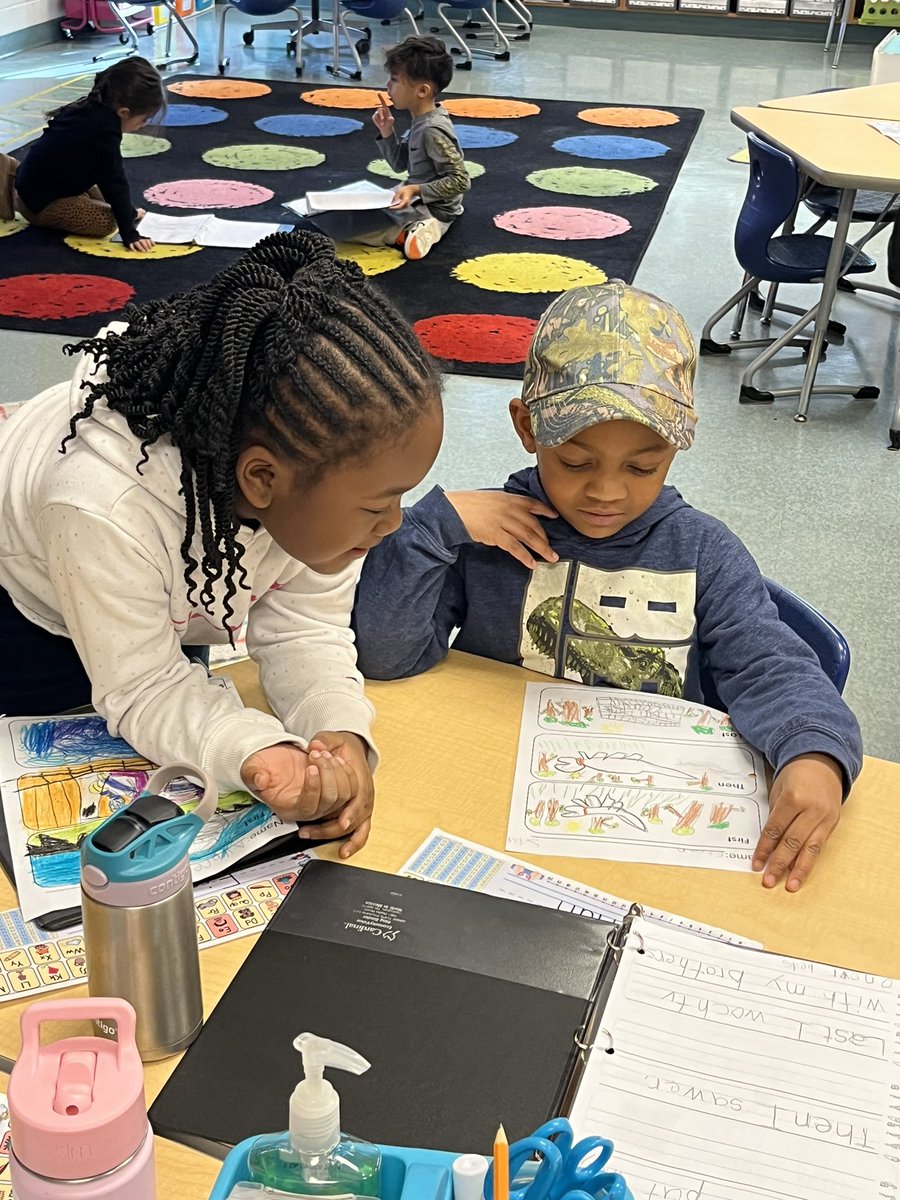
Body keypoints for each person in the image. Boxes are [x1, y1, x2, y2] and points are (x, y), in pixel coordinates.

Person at [352, 280, 863, 890]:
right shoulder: (488, 535)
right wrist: (429, 529)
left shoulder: (702, 550)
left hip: (648, 823)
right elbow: (384, 655)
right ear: (525, 427)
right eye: (575, 461)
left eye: (643, 466)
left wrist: (814, 752)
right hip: (496, 798)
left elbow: (771, 666)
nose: (606, 492)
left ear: (675, 446)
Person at [0, 232, 443, 857]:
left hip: (174, 564)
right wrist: (247, 745)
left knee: (189, 708)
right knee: (53, 754)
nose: (395, 523)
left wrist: (333, 729)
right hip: (28, 585)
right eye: (378, 506)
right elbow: (145, 684)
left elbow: (306, 630)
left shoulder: (311, 489)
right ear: (262, 479)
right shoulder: (102, 509)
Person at [318, 35, 468, 260]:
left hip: (434, 207)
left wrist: (416, 190)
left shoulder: (432, 130)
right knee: (354, 212)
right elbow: (399, 164)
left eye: (395, 80)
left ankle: (414, 231)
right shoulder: (421, 121)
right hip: (416, 195)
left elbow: (460, 180)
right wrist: (388, 133)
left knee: (350, 226)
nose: (388, 85)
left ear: (422, 91)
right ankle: (416, 225)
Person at [0, 57, 162, 252]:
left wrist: (128, 212)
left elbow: (107, 176)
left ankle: (15, 179)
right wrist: (129, 232)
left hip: (45, 181)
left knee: (108, 196)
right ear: (124, 112)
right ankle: (17, 199)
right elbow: (114, 181)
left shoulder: (93, 105)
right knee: (105, 222)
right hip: (39, 203)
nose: (144, 125)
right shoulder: (103, 134)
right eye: (144, 119)